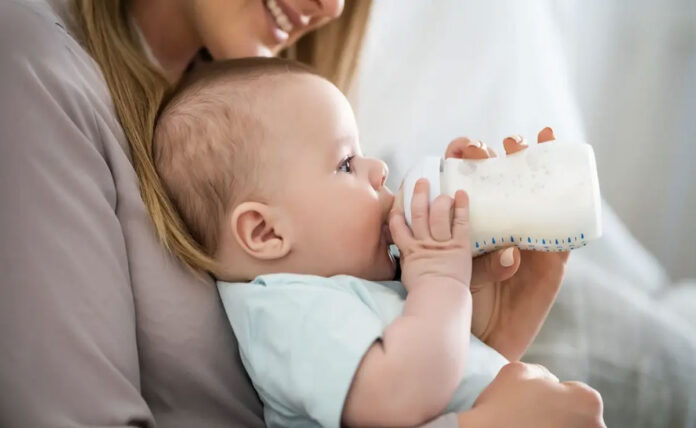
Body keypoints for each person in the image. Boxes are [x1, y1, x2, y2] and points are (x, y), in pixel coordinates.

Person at [0, 0, 602, 426]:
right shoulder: (33, 67)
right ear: (260, 230)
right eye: (348, 165)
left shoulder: (255, 114)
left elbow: (411, 387)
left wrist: (491, 328)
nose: (332, 7)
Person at [151, 57, 604, 428]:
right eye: (346, 164)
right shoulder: (285, 310)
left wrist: (478, 291)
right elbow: (403, 394)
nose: (380, 170)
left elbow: (457, 374)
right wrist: (441, 280)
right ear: (266, 233)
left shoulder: (354, 287)